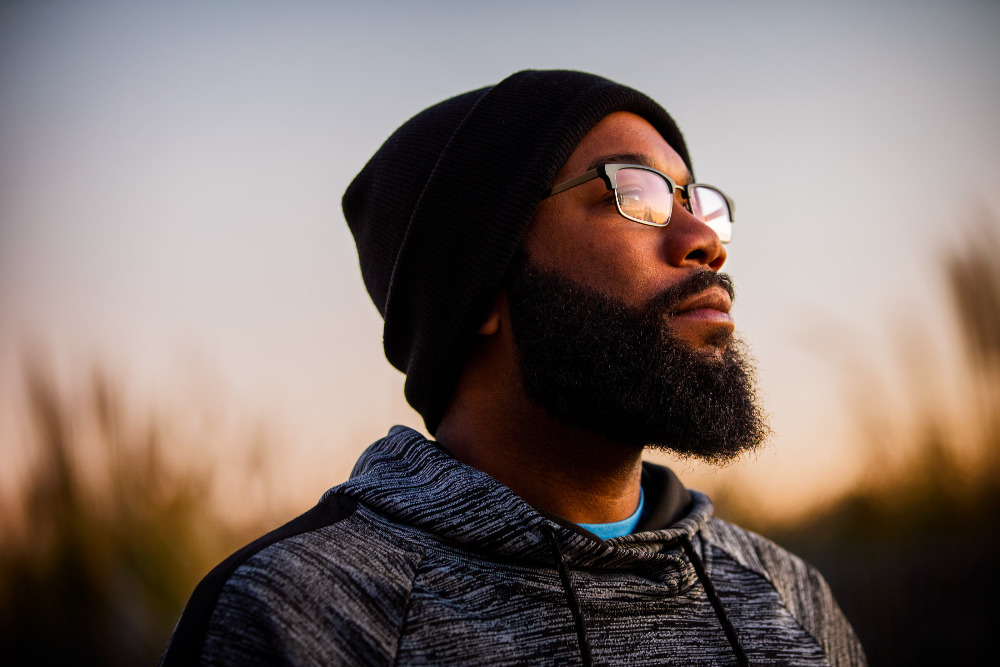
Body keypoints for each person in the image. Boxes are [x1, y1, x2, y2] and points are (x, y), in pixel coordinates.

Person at [159, 70, 866, 666]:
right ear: (476, 289)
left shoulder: (790, 596)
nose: (705, 239)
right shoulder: (300, 613)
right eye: (637, 194)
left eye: (695, 200)